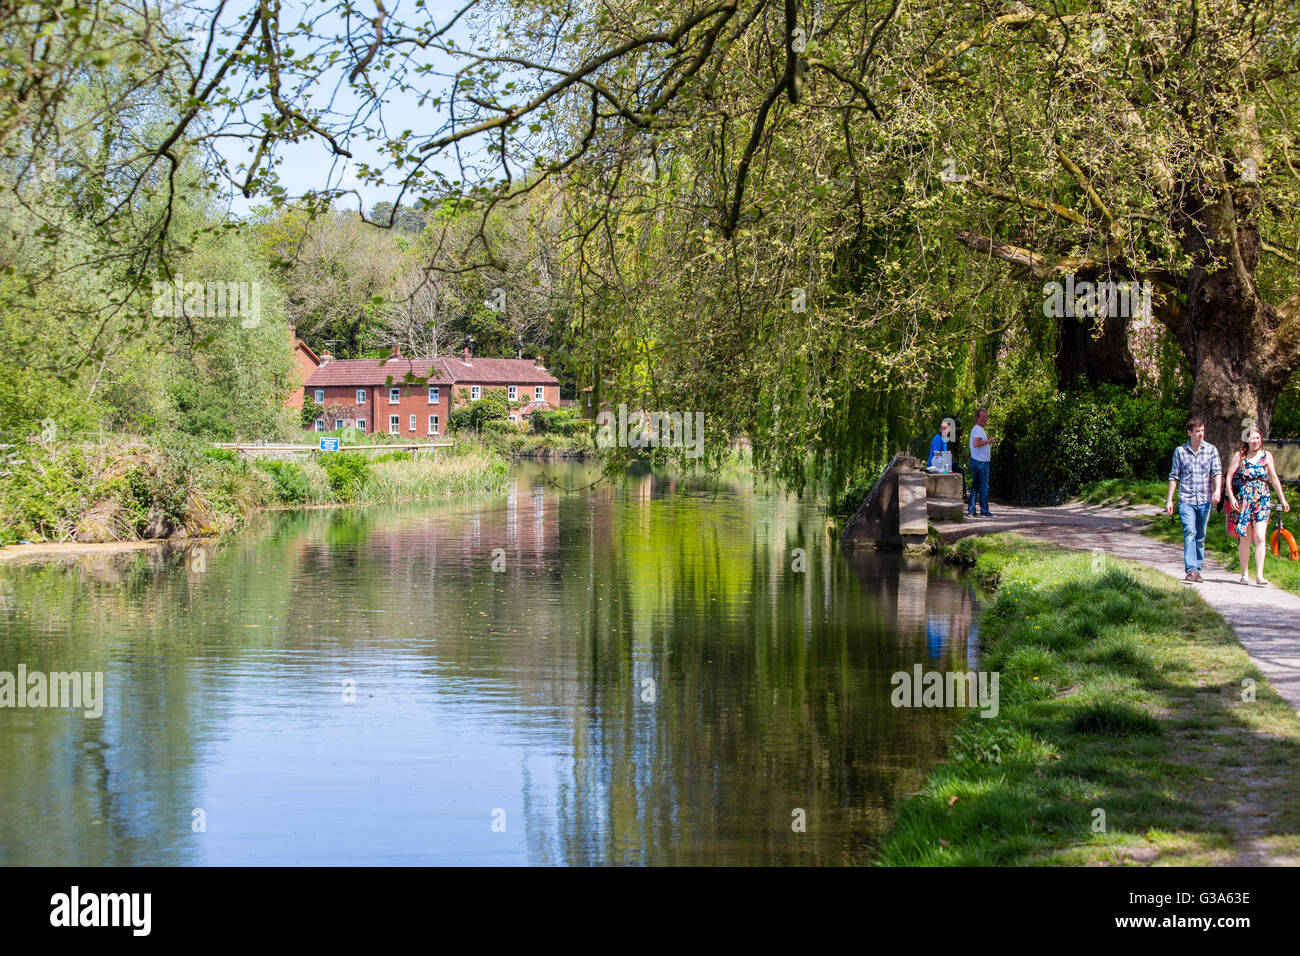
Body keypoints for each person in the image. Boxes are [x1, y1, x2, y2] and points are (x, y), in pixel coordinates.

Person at [1225, 420, 1291, 586]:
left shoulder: (1267, 456)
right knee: (1245, 538)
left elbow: (1274, 478)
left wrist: (1282, 499)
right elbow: (1229, 476)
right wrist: (1231, 497)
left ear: (1261, 438)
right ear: (1246, 440)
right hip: (1245, 500)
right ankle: (1244, 573)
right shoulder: (1240, 455)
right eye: (1251, 438)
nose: (1255, 441)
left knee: (1260, 536)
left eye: (1257, 438)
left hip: (1262, 498)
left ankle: (1260, 575)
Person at [1165, 416, 1222, 583]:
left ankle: (1197, 569)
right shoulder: (1180, 451)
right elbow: (1174, 476)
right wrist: (1169, 500)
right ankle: (1190, 569)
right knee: (1189, 532)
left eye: (1203, 431)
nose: (1201, 434)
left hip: (1205, 500)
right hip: (1186, 499)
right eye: (1197, 431)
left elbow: (1217, 472)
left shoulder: (1211, 450)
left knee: (1201, 536)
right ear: (1189, 432)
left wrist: (1218, 490)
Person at [968, 407, 994, 517]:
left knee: (975, 487)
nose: (985, 419)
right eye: (983, 417)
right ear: (977, 418)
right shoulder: (978, 429)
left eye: (986, 417)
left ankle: (971, 510)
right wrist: (989, 441)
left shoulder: (977, 429)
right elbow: (976, 443)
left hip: (978, 461)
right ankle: (984, 510)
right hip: (981, 462)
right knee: (983, 486)